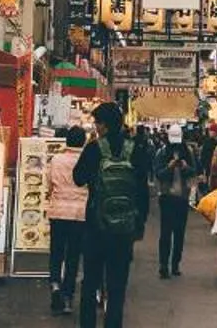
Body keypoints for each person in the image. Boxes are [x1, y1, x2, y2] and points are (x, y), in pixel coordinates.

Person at [72, 102, 150, 328]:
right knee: (117, 286)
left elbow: (78, 178)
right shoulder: (136, 149)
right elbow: (142, 190)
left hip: (96, 227)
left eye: (97, 122)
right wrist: (139, 223)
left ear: (104, 124)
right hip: (124, 230)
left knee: (90, 284)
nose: (95, 127)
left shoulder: (94, 148)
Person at [47, 126, 89, 313]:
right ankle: (67, 296)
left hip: (57, 211)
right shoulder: (87, 161)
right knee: (73, 255)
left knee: (56, 252)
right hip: (79, 213)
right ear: (83, 142)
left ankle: (55, 284)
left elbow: (49, 184)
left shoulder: (56, 160)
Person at [151, 132, 194, 279]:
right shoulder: (161, 153)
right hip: (167, 197)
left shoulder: (188, 152)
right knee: (166, 233)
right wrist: (169, 167)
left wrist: (185, 167)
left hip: (182, 198)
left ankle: (175, 264)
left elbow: (194, 171)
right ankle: (164, 265)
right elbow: (158, 174)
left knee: (179, 233)